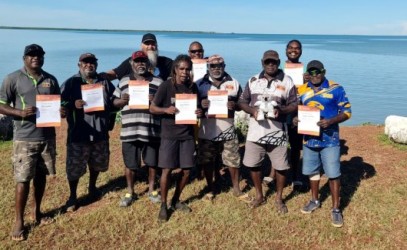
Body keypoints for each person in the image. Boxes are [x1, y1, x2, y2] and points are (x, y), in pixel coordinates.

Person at [0, 44, 60, 241]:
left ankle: (37, 212)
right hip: (24, 138)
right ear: (24, 58)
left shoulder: (51, 79)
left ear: (43, 57)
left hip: (47, 136)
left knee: (41, 176)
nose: (35, 58)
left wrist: (62, 111)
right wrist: (19, 112)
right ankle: (19, 221)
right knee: (23, 179)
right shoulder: (13, 78)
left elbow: (58, 104)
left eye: (39, 55)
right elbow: (1, 104)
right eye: (31, 55)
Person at [294, 60, 351, 228]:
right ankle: (315, 199)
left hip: (330, 138)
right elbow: (298, 109)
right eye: (311, 72)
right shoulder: (302, 89)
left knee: (333, 173)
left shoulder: (336, 88)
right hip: (309, 138)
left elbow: (347, 112)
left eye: (318, 72)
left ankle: (335, 209)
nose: (315, 75)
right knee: (312, 171)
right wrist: (297, 118)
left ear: (324, 72)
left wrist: (331, 121)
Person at [238, 50, 297, 212]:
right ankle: (260, 195)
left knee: (281, 167)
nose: (271, 65)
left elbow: (294, 103)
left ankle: (278, 198)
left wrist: (282, 111)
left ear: (278, 63)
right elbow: (242, 101)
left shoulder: (287, 80)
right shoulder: (253, 80)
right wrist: (252, 111)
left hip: (277, 132)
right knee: (253, 164)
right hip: (255, 132)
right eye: (267, 62)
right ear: (262, 62)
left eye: (274, 62)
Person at [61, 53, 116, 212]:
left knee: (97, 163)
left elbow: (113, 101)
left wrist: (113, 117)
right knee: (74, 168)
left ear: (96, 65)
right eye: (85, 63)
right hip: (79, 134)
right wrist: (73, 103)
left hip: (100, 132)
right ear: (79, 65)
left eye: (92, 63)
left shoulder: (104, 82)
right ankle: (73, 196)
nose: (89, 65)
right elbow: (60, 102)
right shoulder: (71, 82)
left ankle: (92, 187)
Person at [150, 54, 202, 222]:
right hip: (169, 135)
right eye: (182, 68)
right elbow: (152, 108)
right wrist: (166, 111)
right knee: (167, 170)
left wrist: (199, 112)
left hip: (187, 135)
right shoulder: (166, 86)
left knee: (187, 171)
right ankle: (163, 205)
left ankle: (175, 200)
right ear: (175, 69)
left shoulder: (192, 87)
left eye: (188, 69)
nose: (185, 72)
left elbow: (198, 108)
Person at [113, 51, 163, 206]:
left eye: (143, 61)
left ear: (148, 64)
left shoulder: (158, 82)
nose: (140, 63)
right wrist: (121, 101)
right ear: (131, 63)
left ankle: (152, 190)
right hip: (130, 130)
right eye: (137, 61)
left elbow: (165, 104)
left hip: (151, 130)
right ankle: (130, 192)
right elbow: (113, 102)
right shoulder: (123, 81)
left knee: (152, 163)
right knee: (130, 164)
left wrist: (155, 100)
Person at [196, 54, 249, 201]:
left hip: (227, 129)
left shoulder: (234, 82)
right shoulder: (199, 84)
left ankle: (236, 188)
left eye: (219, 66)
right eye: (213, 66)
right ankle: (211, 187)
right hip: (207, 130)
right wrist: (201, 105)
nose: (216, 69)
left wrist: (235, 105)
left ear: (224, 66)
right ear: (208, 67)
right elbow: (193, 106)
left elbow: (242, 103)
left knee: (233, 160)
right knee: (207, 160)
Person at [104, 33, 173, 81]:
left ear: (157, 46)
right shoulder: (133, 61)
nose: (150, 47)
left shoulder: (166, 62)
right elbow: (114, 74)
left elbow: (181, 70)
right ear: (141, 46)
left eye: (153, 44)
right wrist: (96, 77)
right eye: (147, 44)